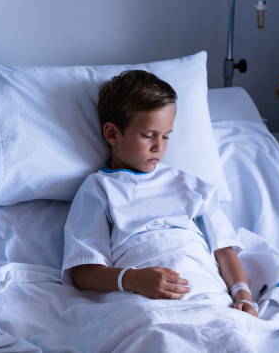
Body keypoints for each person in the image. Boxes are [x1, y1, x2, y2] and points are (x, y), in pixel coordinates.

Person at [62, 70, 258, 317]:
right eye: (148, 135)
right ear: (112, 133)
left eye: (166, 136)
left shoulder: (191, 186)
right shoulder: (98, 189)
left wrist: (243, 295)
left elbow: (223, 249)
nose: (159, 147)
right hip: (141, 291)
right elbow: (83, 271)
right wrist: (132, 279)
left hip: (203, 286)